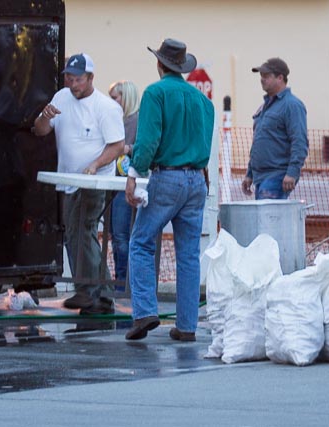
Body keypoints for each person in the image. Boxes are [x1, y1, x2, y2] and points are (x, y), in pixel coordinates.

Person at [124, 38, 214, 341]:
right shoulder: (204, 101)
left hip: (168, 177)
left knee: (141, 242)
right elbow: (205, 145)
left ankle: (145, 312)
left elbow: (148, 140)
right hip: (196, 179)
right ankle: (187, 326)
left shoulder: (155, 93)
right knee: (189, 254)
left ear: (159, 63)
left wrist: (134, 174)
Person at [33, 53, 125, 314]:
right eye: (70, 78)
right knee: (78, 233)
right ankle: (102, 294)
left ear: (91, 78)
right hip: (69, 179)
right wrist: (43, 117)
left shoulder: (105, 107)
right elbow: (40, 130)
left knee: (81, 230)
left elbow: (117, 145)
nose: (73, 84)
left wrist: (95, 164)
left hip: (95, 181)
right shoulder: (61, 98)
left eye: (78, 80)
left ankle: (87, 290)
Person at [241, 57, 308, 199]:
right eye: (261, 76)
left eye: (266, 76)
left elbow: (299, 141)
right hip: (262, 177)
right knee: (264, 220)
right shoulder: (266, 107)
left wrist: (292, 173)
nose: (262, 79)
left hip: (277, 176)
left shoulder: (292, 105)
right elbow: (258, 142)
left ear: (280, 78)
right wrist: (250, 174)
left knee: (268, 220)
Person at [108, 80, 140, 283]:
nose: (111, 102)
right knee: (116, 236)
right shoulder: (118, 121)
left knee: (121, 236)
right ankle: (122, 280)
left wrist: (128, 149)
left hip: (126, 184)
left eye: (114, 98)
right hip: (114, 183)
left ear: (125, 98)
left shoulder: (136, 122)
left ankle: (124, 282)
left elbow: (144, 149)